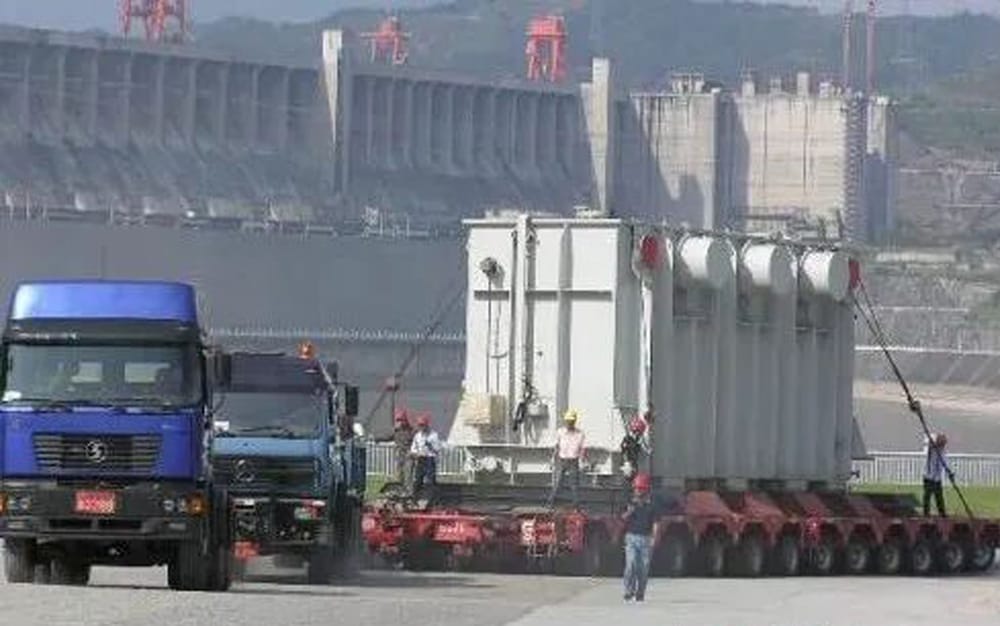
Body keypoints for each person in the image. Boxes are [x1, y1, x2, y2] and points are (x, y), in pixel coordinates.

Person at [622, 472, 659, 603]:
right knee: (630, 565)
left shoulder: (652, 505)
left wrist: (654, 538)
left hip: (645, 539)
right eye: (636, 488)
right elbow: (623, 518)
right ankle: (628, 591)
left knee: (643, 569)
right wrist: (629, 511)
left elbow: (655, 523)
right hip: (631, 538)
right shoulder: (630, 502)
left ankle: (640, 593)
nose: (637, 491)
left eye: (640, 488)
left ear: (646, 489)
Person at [547, 409, 586, 508]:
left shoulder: (580, 434)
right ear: (566, 421)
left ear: (574, 421)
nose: (570, 423)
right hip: (562, 459)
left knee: (574, 485)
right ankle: (551, 502)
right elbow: (556, 446)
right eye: (568, 421)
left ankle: (576, 505)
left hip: (574, 460)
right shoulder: (560, 432)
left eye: (571, 421)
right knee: (557, 483)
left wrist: (582, 460)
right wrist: (552, 459)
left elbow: (582, 448)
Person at [409, 412, 443, 501]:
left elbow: (438, 448)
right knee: (417, 479)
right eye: (420, 425)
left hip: (429, 459)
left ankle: (432, 498)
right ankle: (415, 497)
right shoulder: (417, 436)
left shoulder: (433, 435)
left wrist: (431, 446)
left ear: (427, 425)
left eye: (423, 425)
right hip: (421, 458)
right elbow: (413, 448)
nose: (421, 427)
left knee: (430, 479)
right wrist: (414, 453)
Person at [923, 432, 952, 517]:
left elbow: (945, 462)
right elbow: (930, 444)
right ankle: (926, 514)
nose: (943, 445)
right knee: (927, 496)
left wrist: (949, 472)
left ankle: (942, 513)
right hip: (928, 476)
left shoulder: (942, 452)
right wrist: (934, 444)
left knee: (939, 496)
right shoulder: (932, 449)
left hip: (937, 478)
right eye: (941, 442)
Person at [620, 416, 649, 494]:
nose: (638, 434)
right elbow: (625, 451)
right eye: (637, 432)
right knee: (629, 477)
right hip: (629, 464)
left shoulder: (636, 440)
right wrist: (627, 463)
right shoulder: (628, 440)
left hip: (634, 463)